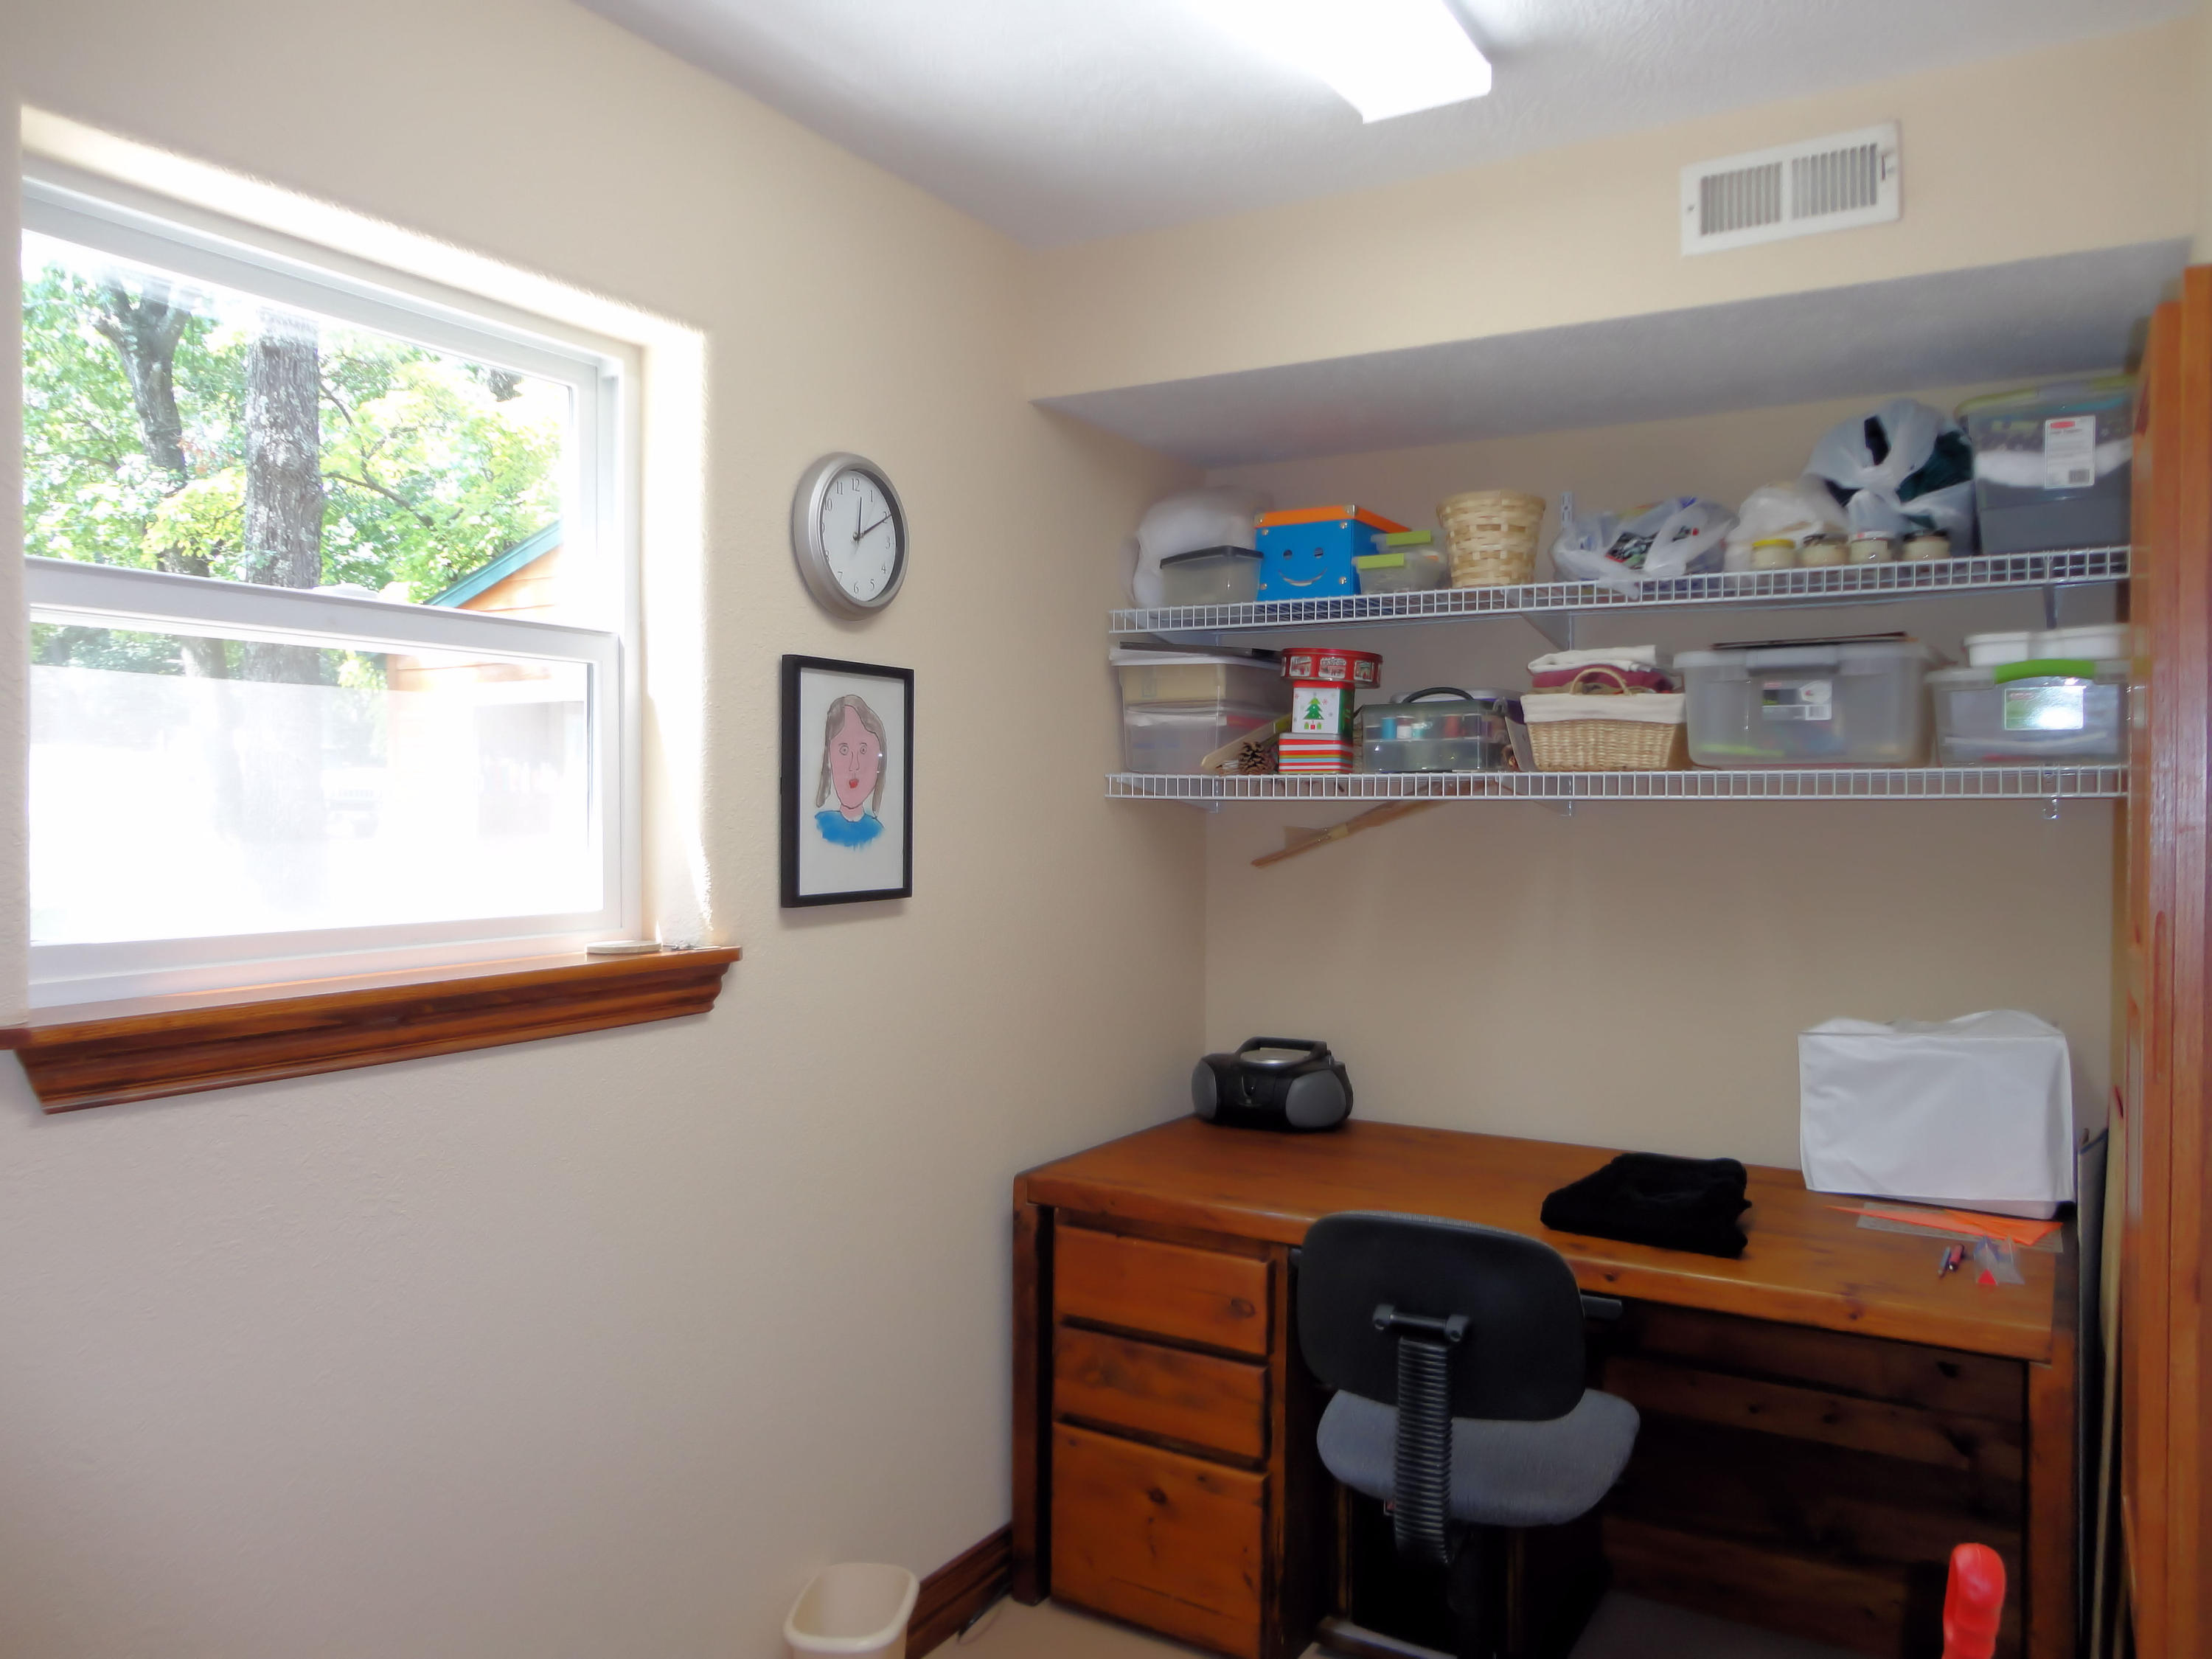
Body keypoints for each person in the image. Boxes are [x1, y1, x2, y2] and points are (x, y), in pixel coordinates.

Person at [813, 694, 888, 848]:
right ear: (829, 758)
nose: (854, 765)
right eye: (844, 750)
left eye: (863, 750)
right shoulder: (817, 826)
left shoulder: (880, 833)